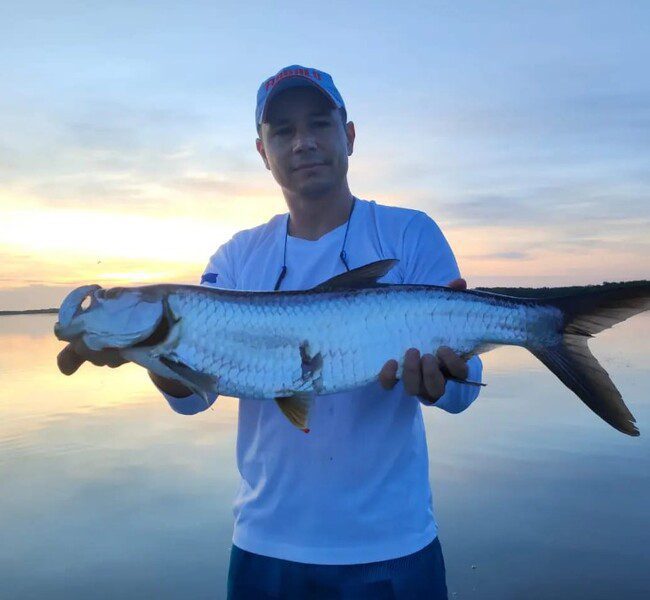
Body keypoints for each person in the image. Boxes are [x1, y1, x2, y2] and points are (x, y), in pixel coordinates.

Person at [57, 65, 483, 599]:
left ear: (348, 135)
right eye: (282, 131)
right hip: (266, 547)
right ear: (262, 151)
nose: (302, 142)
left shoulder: (409, 233)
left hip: (393, 546)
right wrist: (150, 359)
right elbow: (195, 400)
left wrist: (443, 382)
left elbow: (467, 390)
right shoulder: (236, 258)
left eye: (319, 124)